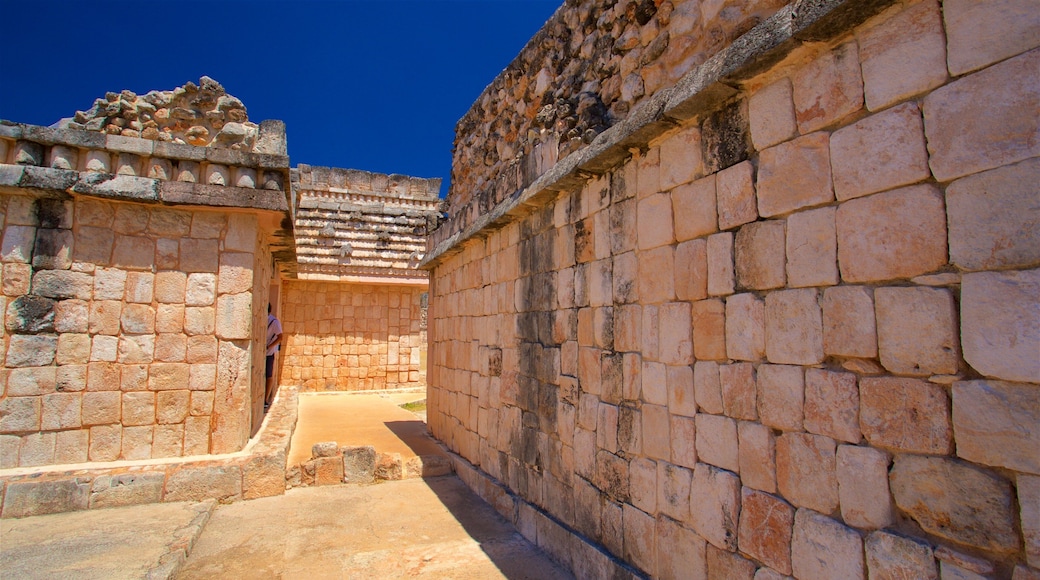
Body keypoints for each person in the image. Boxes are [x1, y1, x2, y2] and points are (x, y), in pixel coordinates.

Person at [265, 304, 282, 410]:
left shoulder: (274, 322)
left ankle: (266, 399)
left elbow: (280, 337)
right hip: (263, 351)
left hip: (269, 352)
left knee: (269, 375)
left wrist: (270, 346)